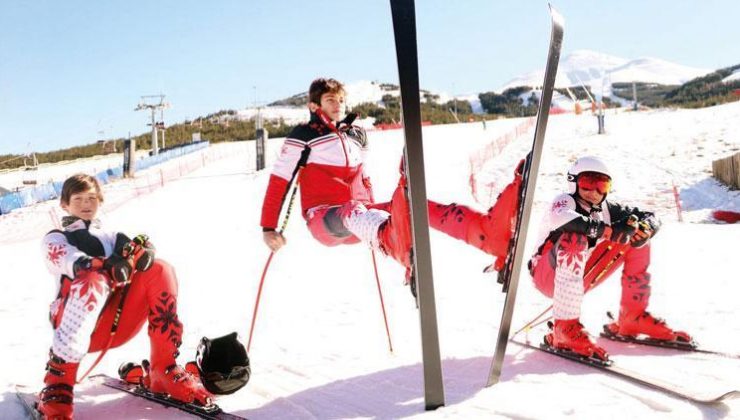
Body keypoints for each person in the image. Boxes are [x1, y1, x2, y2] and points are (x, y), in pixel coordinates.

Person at [261, 77, 523, 288]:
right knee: (353, 209)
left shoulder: (356, 135)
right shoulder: (304, 135)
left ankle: (487, 234)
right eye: (330, 100)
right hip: (324, 220)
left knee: (413, 205)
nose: (338, 104)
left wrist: (375, 207)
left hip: (362, 219)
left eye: (341, 99)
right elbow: (279, 181)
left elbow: (363, 177)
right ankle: (398, 248)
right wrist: (269, 227)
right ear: (314, 106)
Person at [37, 174, 210, 419]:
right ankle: (58, 383)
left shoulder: (113, 237)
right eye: (78, 199)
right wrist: (102, 264)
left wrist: (141, 253)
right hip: (74, 327)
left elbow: (139, 252)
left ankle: (164, 367)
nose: (86, 204)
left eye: (92, 198)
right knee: (92, 278)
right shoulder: (56, 238)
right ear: (64, 204)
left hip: (117, 324)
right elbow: (66, 258)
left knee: (160, 268)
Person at [528, 156, 691, 361]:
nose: (594, 192)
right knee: (574, 238)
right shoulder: (565, 201)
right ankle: (564, 329)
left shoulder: (607, 209)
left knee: (636, 237)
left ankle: (632, 317)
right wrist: (607, 231)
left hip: (583, 275)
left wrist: (645, 230)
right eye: (587, 183)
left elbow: (649, 215)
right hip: (546, 275)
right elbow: (563, 219)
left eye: (601, 185)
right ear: (574, 182)